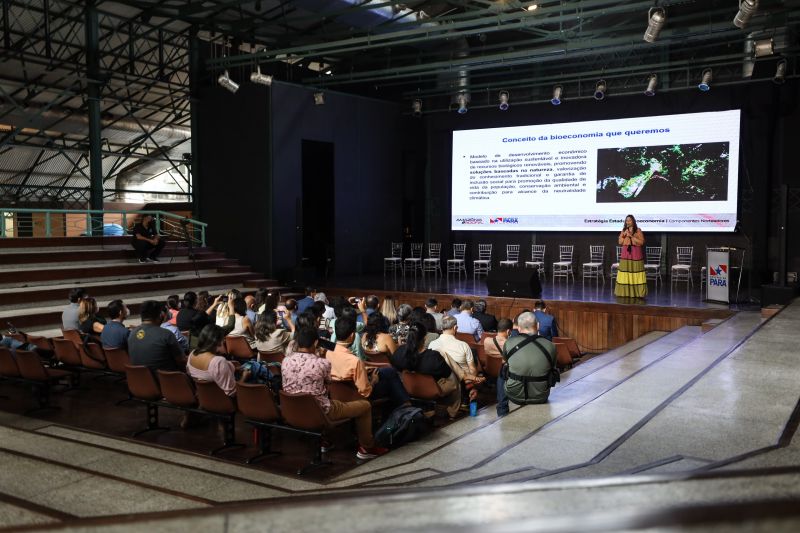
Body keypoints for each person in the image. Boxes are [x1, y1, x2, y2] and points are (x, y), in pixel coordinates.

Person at [281, 325, 388, 460]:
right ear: (315, 342)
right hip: (321, 411)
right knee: (365, 406)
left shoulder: (286, 360)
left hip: (293, 411)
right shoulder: (322, 363)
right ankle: (367, 447)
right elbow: (328, 383)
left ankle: (325, 440)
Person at [328, 316, 410, 410]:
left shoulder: (327, 353)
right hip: (356, 395)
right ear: (352, 336)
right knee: (391, 380)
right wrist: (373, 381)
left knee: (388, 371)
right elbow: (366, 392)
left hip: (337, 394)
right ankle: (406, 407)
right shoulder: (354, 361)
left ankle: (405, 407)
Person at [390, 322, 462, 419]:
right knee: (454, 380)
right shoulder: (433, 357)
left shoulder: (399, 352)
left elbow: (395, 367)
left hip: (409, 388)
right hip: (432, 390)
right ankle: (452, 413)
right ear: (425, 338)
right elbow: (447, 374)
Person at [496, 312, 558, 417]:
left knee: (502, 370)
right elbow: (553, 369)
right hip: (540, 395)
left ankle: (502, 410)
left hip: (514, 394)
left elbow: (505, 363)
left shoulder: (509, 343)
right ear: (538, 326)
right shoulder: (551, 346)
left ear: (518, 328)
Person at [186, 325, 249, 396]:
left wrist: (232, 368)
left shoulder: (192, 354)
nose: (224, 340)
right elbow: (232, 392)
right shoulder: (218, 362)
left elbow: (203, 375)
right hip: (225, 400)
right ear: (216, 341)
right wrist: (244, 376)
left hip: (205, 397)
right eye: (223, 338)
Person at [128, 300, 186, 371]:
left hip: (139, 380)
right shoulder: (167, 334)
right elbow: (181, 361)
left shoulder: (132, 333)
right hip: (166, 380)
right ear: (160, 315)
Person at [614, 214, 648, 300]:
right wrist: (625, 235)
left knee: (636, 272)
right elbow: (620, 242)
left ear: (633, 221)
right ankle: (625, 292)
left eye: (629, 220)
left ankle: (637, 292)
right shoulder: (623, 231)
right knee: (625, 272)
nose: (628, 222)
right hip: (626, 254)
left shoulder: (638, 230)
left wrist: (631, 236)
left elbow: (641, 242)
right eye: (626, 220)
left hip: (636, 253)